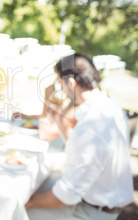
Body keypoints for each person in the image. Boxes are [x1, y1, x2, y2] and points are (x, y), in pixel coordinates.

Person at [26, 53, 134, 220]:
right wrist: (58, 120)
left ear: (70, 82)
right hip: (102, 202)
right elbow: (82, 150)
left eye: (60, 84)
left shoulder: (91, 126)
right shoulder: (109, 108)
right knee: (42, 183)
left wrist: (30, 201)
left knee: (19, 210)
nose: (61, 89)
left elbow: (67, 194)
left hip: (90, 212)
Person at [12, 81, 78, 141]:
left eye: (60, 83)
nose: (60, 87)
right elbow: (45, 116)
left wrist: (48, 99)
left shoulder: (74, 106)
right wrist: (27, 116)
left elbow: (45, 134)